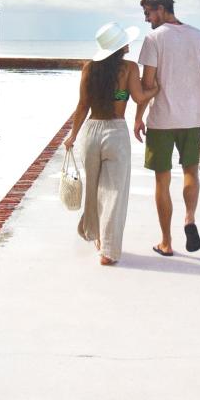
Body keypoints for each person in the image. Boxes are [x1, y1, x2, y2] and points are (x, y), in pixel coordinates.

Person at [133, 0, 200, 256]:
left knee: (163, 180)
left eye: (148, 13)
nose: (147, 20)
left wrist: (138, 117)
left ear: (160, 8)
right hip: (192, 117)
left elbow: (148, 85)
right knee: (191, 171)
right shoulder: (199, 36)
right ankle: (189, 219)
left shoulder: (153, 39)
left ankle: (167, 242)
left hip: (162, 120)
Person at [66, 22, 151, 267]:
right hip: (115, 131)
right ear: (120, 46)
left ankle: (97, 238)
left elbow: (83, 106)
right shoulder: (129, 69)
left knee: (93, 189)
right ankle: (109, 251)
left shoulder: (89, 69)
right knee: (114, 193)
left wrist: (72, 136)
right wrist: (155, 87)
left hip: (91, 131)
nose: (128, 43)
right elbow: (138, 97)